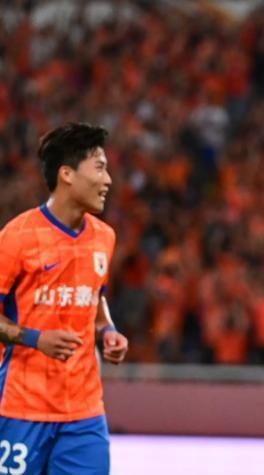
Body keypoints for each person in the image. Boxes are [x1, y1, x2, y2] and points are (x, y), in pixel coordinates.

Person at [0, 122, 128, 474]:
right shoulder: (17, 237)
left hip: (84, 413)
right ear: (67, 174)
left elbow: (95, 297)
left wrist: (107, 330)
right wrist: (35, 339)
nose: (108, 180)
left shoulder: (104, 237)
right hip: (22, 407)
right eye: (99, 168)